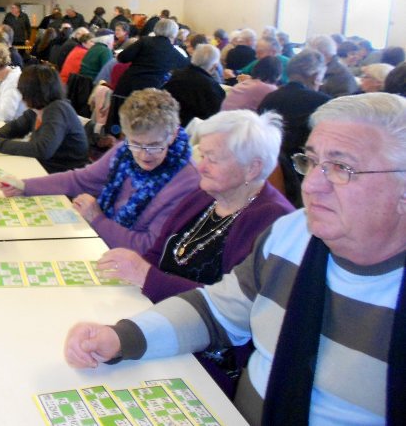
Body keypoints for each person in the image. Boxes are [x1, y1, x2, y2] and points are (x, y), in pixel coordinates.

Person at [64, 93, 406, 426]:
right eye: (312, 162)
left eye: (342, 168)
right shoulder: (291, 234)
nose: (311, 185)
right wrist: (122, 337)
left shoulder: (275, 221)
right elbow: (219, 309)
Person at [94, 109, 293, 391]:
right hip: (159, 321)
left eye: (213, 159)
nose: (201, 166)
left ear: (252, 168)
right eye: (202, 155)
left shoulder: (273, 223)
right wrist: (136, 272)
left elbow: (235, 311)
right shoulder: (204, 195)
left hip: (210, 358)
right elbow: (156, 254)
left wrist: (147, 277)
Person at [0, 89, 199, 253]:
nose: (144, 155)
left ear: (173, 135)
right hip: (100, 243)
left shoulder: (187, 181)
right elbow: (81, 179)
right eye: (136, 144)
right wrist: (25, 186)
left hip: (131, 262)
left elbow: (148, 247)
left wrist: (97, 219)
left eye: (154, 145)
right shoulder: (125, 151)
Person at [0, 64, 88, 173]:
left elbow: (42, 150)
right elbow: (17, 126)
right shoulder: (40, 108)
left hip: (63, 173)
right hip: (46, 167)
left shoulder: (57, 110)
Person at [113, 18, 188, 99]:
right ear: (174, 33)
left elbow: (122, 58)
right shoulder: (172, 52)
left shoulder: (144, 41)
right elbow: (187, 65)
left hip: (127, 86)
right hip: (149, 93)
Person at [162, 43, 225, 126]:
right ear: (214, 66)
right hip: (196, 130)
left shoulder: (176, 76)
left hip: (169, 124)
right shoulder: (214, 89)